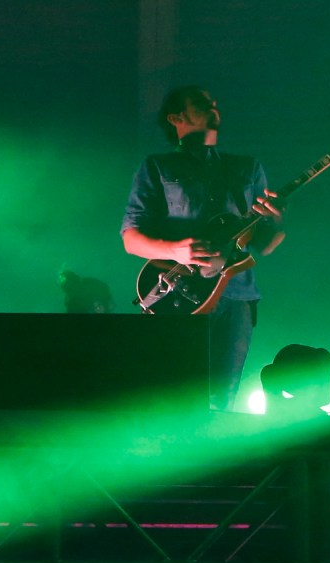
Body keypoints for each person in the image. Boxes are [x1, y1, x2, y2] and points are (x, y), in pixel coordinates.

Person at [121, 85, 282, 410]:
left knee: (223, 397)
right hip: (178, 293)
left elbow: (266, 243)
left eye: (214, 101)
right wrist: (175, 251)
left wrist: (276, 220)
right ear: (176, 117)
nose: (213, 106)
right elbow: (131, 238)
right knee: (175, 394)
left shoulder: (246, 167)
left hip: (236, 293)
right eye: (202, 103)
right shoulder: (157, 166)